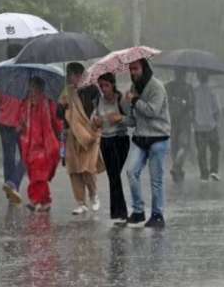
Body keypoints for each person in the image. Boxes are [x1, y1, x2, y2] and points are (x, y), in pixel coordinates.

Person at [123, 58, 172, 228]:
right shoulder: (133, 88)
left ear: (144, 68)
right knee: (131, 172)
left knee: (156, 179)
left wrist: (135, 101)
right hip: (140, 137)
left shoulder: (156, 87)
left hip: (158, 137)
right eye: (130, 69)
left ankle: (157, 215)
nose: (133, 72)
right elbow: (132, 119)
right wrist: (118, 118)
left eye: (135, 68)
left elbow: (152, 111)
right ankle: (138, 211)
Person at [60, 63, 105, 215]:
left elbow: (99, 108)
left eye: (71, 75)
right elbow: (59, 115)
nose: (69, 78)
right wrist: (63, 106)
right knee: (74, 169)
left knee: (87, 167)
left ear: (78, 75)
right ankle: (81, 202)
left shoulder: (92, 89)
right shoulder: (67, 92)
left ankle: (93, 195)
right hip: (72, 134)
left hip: (90, 133)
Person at [18, 77, 63, 212]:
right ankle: (45, 201)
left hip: (45, 145)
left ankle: (35, 200)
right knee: (33, 174)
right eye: (30, 88)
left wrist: (60, 135)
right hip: (29, 144)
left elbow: (57, 121)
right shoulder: (26, 104)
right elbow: (21, 120)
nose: (32, 91)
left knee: (39, 175)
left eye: (34, 87)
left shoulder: (48, 103)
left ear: (41, 89)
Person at [0, 44, 25, 205]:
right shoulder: (24, 73)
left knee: (8, 157)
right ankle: (13, 184)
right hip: (21, 122)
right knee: (26, 156)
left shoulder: (0, 74)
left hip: (3, 121)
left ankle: (9, 190)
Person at [95, 72, 131, 223]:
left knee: (115, 175)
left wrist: (119, 119)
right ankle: (118, 213)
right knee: (112, 176)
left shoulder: (121, 99)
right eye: (101, 86)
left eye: (106, 85)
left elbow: (131, 119)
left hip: (120, 140)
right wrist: (96, 121)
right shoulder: (99, 100)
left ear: (113, 85)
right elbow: (94, 118)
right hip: (105, 140)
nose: (104, 89)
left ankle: (120, 212)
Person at [165, 69, 194, 183]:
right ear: (184, 75)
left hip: (172, 120)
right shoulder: (188, 87)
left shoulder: (168, 87)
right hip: (184, 121)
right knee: (184, 146)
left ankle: (177, 170)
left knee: (175, 145)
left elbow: (164, 103)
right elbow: (192, 105)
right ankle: (176, 167)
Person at [194, 72, 222, 181]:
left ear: (198, 77)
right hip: (211, 126)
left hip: (198, 126)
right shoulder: (212, 92)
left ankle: (203, 173)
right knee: (215, 149)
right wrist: (216, 121)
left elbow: (191, 107)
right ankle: (214, 171)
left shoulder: (194, 92)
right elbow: (217, 109)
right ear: (208, 78)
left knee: (201, 152)